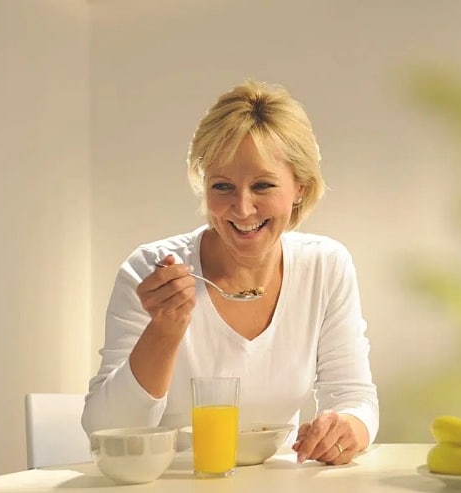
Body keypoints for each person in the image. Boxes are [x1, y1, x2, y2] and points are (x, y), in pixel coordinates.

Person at [81, 80, 378, 465]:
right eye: (222, 186)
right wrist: (164, 331)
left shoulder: (325, 266)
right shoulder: (150, 271)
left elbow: (354, 397)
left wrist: (348, 428)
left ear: (300, 188)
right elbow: (104, 431)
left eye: (263, 185)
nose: (242, 208)